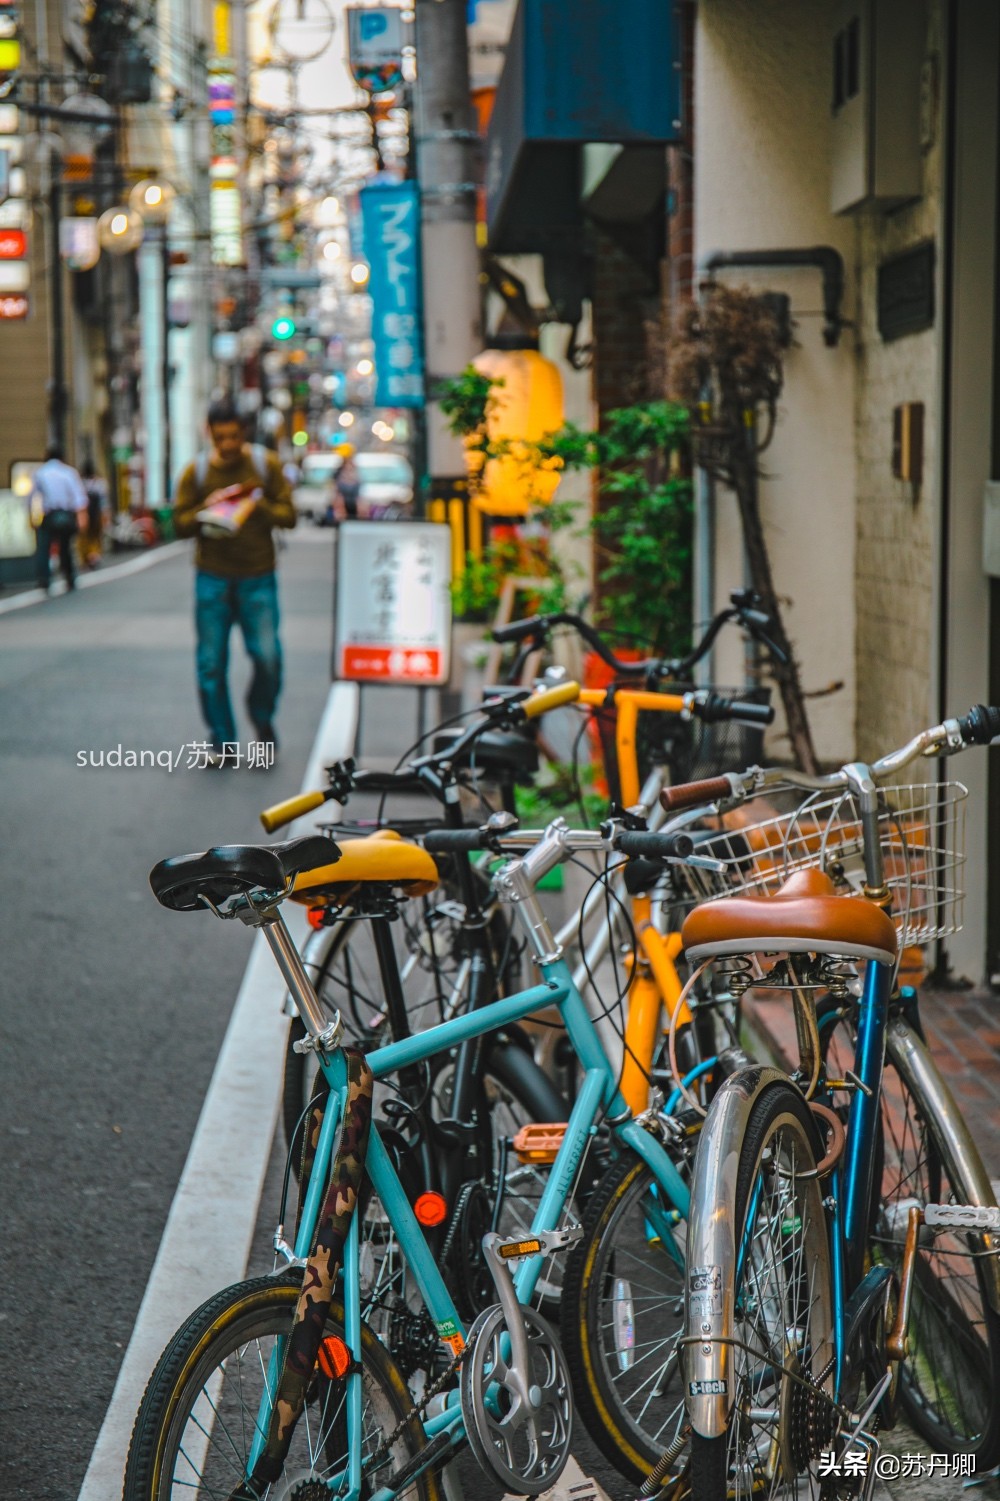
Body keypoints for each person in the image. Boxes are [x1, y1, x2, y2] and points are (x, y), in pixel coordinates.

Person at [173, 399, 296, 767]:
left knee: (268, 657)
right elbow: (178, 525)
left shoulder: (264, 465)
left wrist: (256, 505)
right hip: (212, 578)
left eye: (234, 436)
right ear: (208, 433)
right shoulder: (195, 473)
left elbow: (289, 516)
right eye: (220, 437)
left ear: (245, 433)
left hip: (258, 577)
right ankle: (222, 740)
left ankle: (261, 716)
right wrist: (208, 510)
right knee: (210, 663)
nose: (227, 444)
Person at [30, 445, 89, 592]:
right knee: (66, 547)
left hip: (48, 515)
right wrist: (82, 516)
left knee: (44, 547)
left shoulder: (40, 473)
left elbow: (31, 497)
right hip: (66, 514)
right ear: (62, 457)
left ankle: (44, 579)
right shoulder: (69, 472)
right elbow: (79, 497)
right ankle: (69, 577)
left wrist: (31, 517)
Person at [79, 459, 109, 570]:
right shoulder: (99, 483)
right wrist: (105, 515)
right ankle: (94, 555)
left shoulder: (80, 483)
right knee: (96, 535)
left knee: (83, 537)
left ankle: (85, 558)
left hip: (83, 513)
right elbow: (104, 501)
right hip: (97, 513)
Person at [335, 455, 361, 519]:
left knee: (361, 504)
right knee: (339, 501)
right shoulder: (339, 475)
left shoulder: (357, 475)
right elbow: (337, 489)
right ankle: (341, 519)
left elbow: (359, 489)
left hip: (354, 496)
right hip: (343, 496)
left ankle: (360, 520)